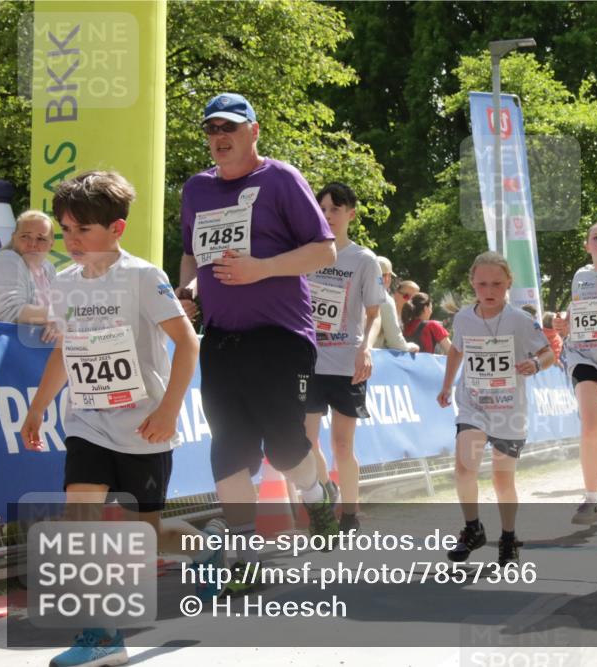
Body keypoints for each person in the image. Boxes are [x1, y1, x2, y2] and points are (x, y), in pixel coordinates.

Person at [20, 171, 223, 667]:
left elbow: (188, 343)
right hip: (88, 423)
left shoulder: (142, 276)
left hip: (144, 426)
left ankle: (204, 548)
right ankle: (103, 636)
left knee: (146, 534)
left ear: (116, 229)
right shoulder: (65, 284)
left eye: (81, 231)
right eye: (64, 230)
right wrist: (38, 407)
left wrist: (169, 408)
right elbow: (64, 351)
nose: (70, 241)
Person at [175, 93, 337, 593]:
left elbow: (324, 251)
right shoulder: (196, 190)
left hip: (282, 336)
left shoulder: (281, 179)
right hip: (221, 338)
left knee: (285, 448)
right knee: (228, 448)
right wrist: (188, 293)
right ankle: (243, 561)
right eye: (211, 129)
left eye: (230, 128)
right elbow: (190, 255)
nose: (219, 137)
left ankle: (318, 491)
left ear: (253, 131)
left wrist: (260, 269)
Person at [437, 251, 554, 566]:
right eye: (482, 284)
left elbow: (548, 354)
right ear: (472, 283)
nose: (489, 291)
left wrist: (534, 363)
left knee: (503, 480)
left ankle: (508, 535)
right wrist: (447, 385)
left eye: (497, 284)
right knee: (464, 469)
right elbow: (456, 351)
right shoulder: (463, 317)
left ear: (509, 284)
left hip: (509, 410)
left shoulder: (521, 319)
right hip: (473, 405)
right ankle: (473, 528)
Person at [304, 182, 384, 535]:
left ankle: (350, 513)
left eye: (335, 209)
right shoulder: (305, 254)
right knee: (305, 442)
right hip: (308, 361)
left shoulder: (362, 259)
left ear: (350, 214)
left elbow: (374, 313)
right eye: (322, 209)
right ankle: (327, 490)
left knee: (341, 443)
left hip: (346, 362)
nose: (328, 215)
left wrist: (365, 348)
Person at [553, 222, 597, 524]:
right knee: (590, 428)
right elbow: (577, 311)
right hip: (584, 356)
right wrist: (564, 324)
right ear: (587, 246)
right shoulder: (580, 276)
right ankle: (590, 498)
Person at [0, 210, 57, 335]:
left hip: (36, 349)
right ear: (14, 238)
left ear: (51, 244)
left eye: (41, 238)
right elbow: (10, 314)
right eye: (25, 236)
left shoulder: (48, 268)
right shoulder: (7, 260)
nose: (33, 244)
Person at [373, 256, 419, 353]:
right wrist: (409, 347)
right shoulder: (385, 299)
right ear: (387, 277)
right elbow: (395, 342)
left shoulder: (351, 291)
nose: (409, 300)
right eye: (407, 296)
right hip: (368, 359)